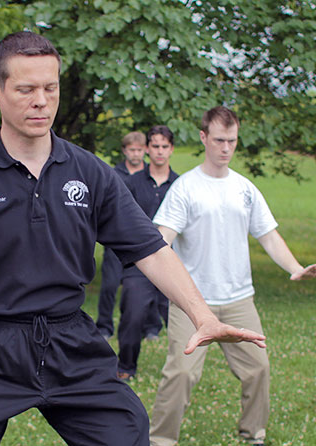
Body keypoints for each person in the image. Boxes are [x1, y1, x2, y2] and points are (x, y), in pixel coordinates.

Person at [0, 32, 266, 446]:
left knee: (126, 433)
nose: (41, 100)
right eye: (26, 89)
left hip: (70, 341)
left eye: (50, 88)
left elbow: (150, 249)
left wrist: (202, 315)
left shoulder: (90, 172)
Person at [148, 106, 316, 446]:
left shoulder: (245, 189)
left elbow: (268, 234)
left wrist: (295, 268)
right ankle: (161, 440)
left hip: (239, 299)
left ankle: (253, 435)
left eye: (233, 141)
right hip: (192, 302)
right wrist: (153, 261)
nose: (226, 148)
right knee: (180, 373)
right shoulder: (185, 189)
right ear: (204, 137)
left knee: (259, 370)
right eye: (220, 140)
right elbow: (161, 239)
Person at [116, 125, 178, 381]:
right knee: (132, 315)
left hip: (173, 265)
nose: (160, 151)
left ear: (171, 149)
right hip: (139, 265)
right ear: (147, 149)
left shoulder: (181, 185)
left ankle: (180, 369)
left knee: (177, 319)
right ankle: (126, 367)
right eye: (155, 146)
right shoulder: (131, 183)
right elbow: (120, 221)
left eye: (165, 146)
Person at [95, 131, 146, 339]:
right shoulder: (114, 173)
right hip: (116, 239)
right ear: (125, 151)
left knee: (141, 287)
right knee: (109, 285)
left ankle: (147, 326)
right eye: (132, 150)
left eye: (139, 150)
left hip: (141, 239)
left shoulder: (148, 176)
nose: (136, 154)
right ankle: (104, 326)